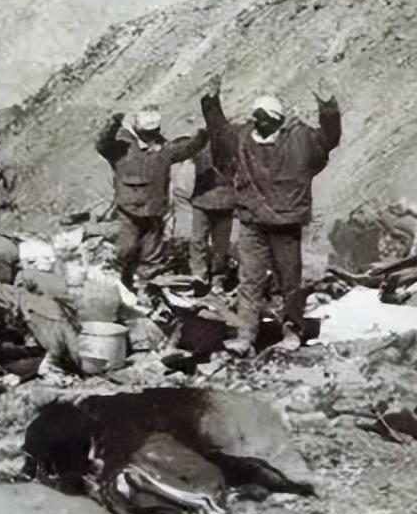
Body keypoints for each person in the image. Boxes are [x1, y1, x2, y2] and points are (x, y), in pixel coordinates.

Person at [201, 75, 341, 354]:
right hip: (252, 221)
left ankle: (292, 331)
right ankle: (245, 336)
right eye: (256, 118)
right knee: (249, 280)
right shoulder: (244, 137)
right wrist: (211, 101)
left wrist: (328, 107)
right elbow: (220, 131)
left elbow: (329, 138)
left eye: (264, 119)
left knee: (288, 281)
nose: (259, 124)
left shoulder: (300, 139)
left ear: (278, 120)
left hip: (285, 223)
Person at [96, 106, 208, 287]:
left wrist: (204, 134)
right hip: (129, 211)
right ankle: (122, 281)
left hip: (153, 213)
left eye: (154, 132)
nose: (151, 136)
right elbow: (102, 144)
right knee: (126, 249)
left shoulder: (164, 149)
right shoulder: (121, 147)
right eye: (147, 132)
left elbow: (188, 148)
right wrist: (113, 124)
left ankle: (146, 287)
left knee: (151, 258)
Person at [188, 134, 235, 294]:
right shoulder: (199, 141)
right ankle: (199, 276)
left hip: (224, 200)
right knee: (198, 240)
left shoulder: (231, 140)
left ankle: (217, 278)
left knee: (220, 245)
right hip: (203, 199)